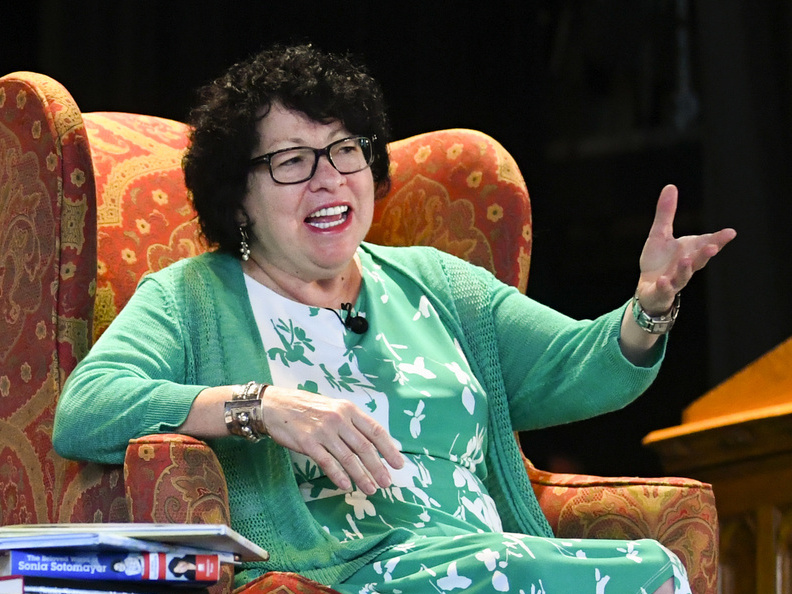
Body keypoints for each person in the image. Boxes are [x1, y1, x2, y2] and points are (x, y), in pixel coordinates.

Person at [53, 44, 735, 594]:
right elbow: (86, 407)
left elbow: (576, 368)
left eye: (346, 149)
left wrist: (650, 308)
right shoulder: (193, 296)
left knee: (643, 564)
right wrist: (258, 407)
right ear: (238, 196)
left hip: (480, 558)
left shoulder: (440, 283)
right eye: (293, 161)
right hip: (351, 570)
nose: (329, 178)